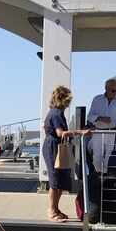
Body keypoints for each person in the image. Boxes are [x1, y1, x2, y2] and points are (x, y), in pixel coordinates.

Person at [42, 86, 88, 222]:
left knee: (61, 180)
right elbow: (60, 133)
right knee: (54, 180)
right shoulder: (55, 113)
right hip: (52, 147)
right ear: (62, 100)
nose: (69, 103)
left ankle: (56, 209)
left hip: (57, 146)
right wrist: (79, 132)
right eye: (68, 100)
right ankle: (51, 210)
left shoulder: (58, 113)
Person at [87, 77, 116, 174]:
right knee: (96, 158)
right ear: (106, 89)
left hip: (114, 133)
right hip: (98, 131)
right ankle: (99, 177)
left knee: (110, 158)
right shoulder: (97, 99)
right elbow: (89, 116)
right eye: (113, 90)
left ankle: (105, 179)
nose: (115, 93)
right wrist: (100, 118)